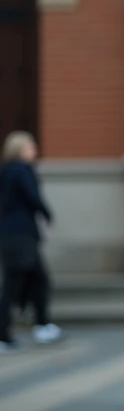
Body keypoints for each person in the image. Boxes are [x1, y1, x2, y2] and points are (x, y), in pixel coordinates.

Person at [0, 131, 61, 351]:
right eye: (30, 147)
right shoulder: (22, 170)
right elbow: (32, 195)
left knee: (37, 280)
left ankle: (42, 325)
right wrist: (47, 214)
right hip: (21, 234)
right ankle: (4, 334)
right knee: (14, 285)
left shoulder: (6, 171)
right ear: (20, 150)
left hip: (10, 234)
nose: (34, 151)